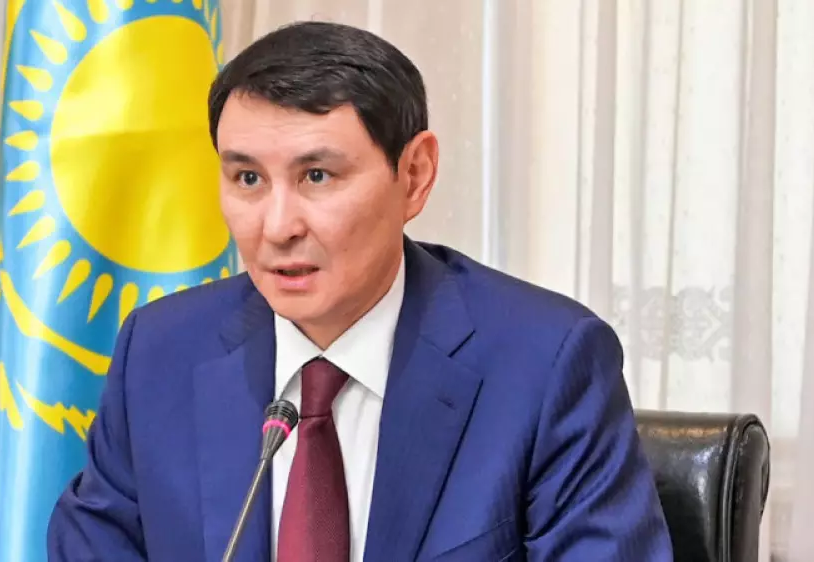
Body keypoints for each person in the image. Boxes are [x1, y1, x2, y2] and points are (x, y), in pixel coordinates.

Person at [46, 20, 673, 562]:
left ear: (415, 176)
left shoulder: (544, 365)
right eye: (248, 179)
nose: (278, 227)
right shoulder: (159, 353)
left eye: (317, 176)